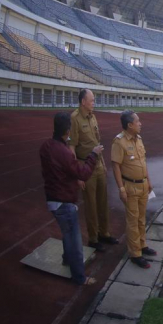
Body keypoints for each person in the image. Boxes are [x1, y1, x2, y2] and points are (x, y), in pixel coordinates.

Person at [39, 112, 103, 285]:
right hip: (63, 202)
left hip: (52, 198)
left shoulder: (46, 146)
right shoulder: (64, 152)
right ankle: (80, 277)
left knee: (67, 234)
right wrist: (93, 155)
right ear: (68, 131)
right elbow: (82, 173)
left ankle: (67, 259)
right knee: (74, 240)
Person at [69, 89, 117, 252]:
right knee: (91, 204)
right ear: (83, 101)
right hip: (84, 166)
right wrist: (78, 174)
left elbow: (97, 141)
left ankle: (104, 233)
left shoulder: (93, 116)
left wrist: (102, 164)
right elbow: (71, 147)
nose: (94, 102)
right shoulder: (74, 119)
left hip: (98, 164)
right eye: (92, 100)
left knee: (103, 201)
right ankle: (93, 238)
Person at [111, 110, 157, 269]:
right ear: (129, 125)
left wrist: (149, 181)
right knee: (132, 221)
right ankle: (135, 253)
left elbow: (143, 162)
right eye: (137, 121)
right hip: (130, 187)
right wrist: (121, 189)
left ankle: (143, 245)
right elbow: (116, 165)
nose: (140, 123)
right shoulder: (119, 142)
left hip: (143, 185)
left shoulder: (139, 139)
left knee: (141, 218)